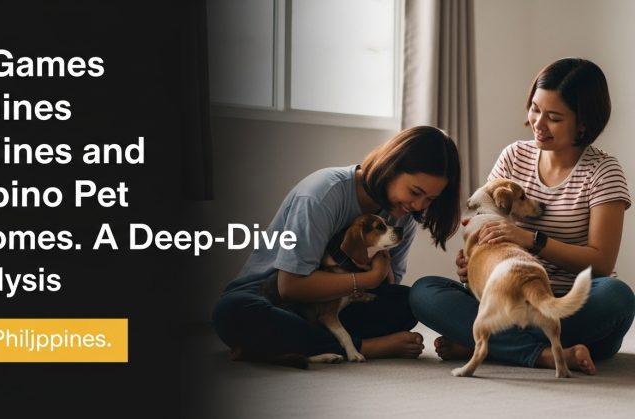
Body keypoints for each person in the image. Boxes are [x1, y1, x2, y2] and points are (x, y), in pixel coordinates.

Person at [410, 58, 635, 375]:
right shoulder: (514, 156)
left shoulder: (603, 172)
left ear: (583, 123)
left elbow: (600, 264)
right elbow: (483, 227)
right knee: (424, 291)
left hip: (568, 304)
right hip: (508, 296)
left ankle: (488, 342)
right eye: (535, 108)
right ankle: (542, 353)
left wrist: (533, 241)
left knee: (617, 296)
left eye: (553, 117)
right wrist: (473, 264)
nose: (538, 123)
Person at [212, 126, 461, 362]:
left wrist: (380, 269)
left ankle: (287, 345)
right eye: (415, 192)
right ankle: (365, 347)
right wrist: (367, 279)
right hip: (274, 299)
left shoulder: (402, 215)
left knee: (408, 302)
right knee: (233, 312)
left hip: (338, 307)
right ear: (391, 168)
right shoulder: (323, 194)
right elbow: (289, 287)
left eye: (430, 199)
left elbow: (385, 288)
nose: (418, 206)